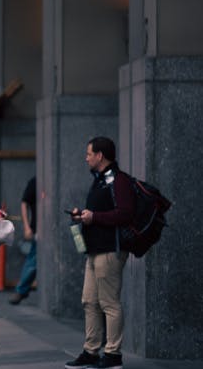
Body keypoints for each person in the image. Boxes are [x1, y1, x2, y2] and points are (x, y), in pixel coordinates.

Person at [64, 137, 134, 369]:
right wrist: (83, 215)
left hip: (110, 251)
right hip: (93, 251)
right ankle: (91, 351)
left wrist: (95, 217)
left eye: (89, 153)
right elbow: (101, 212)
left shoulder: (119, 180)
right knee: (89, 301)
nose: (86, 158)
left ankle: (113, 355)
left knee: (109, 303)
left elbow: (125, 214)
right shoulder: (100, 180)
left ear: (100, 155)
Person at [9, 176, 38, 305]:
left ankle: (21, 290)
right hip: (37, 230)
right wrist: (26, 226)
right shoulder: (35, 181)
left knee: (33, 259)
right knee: (33, 260)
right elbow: (24, 202)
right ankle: (21, 290)